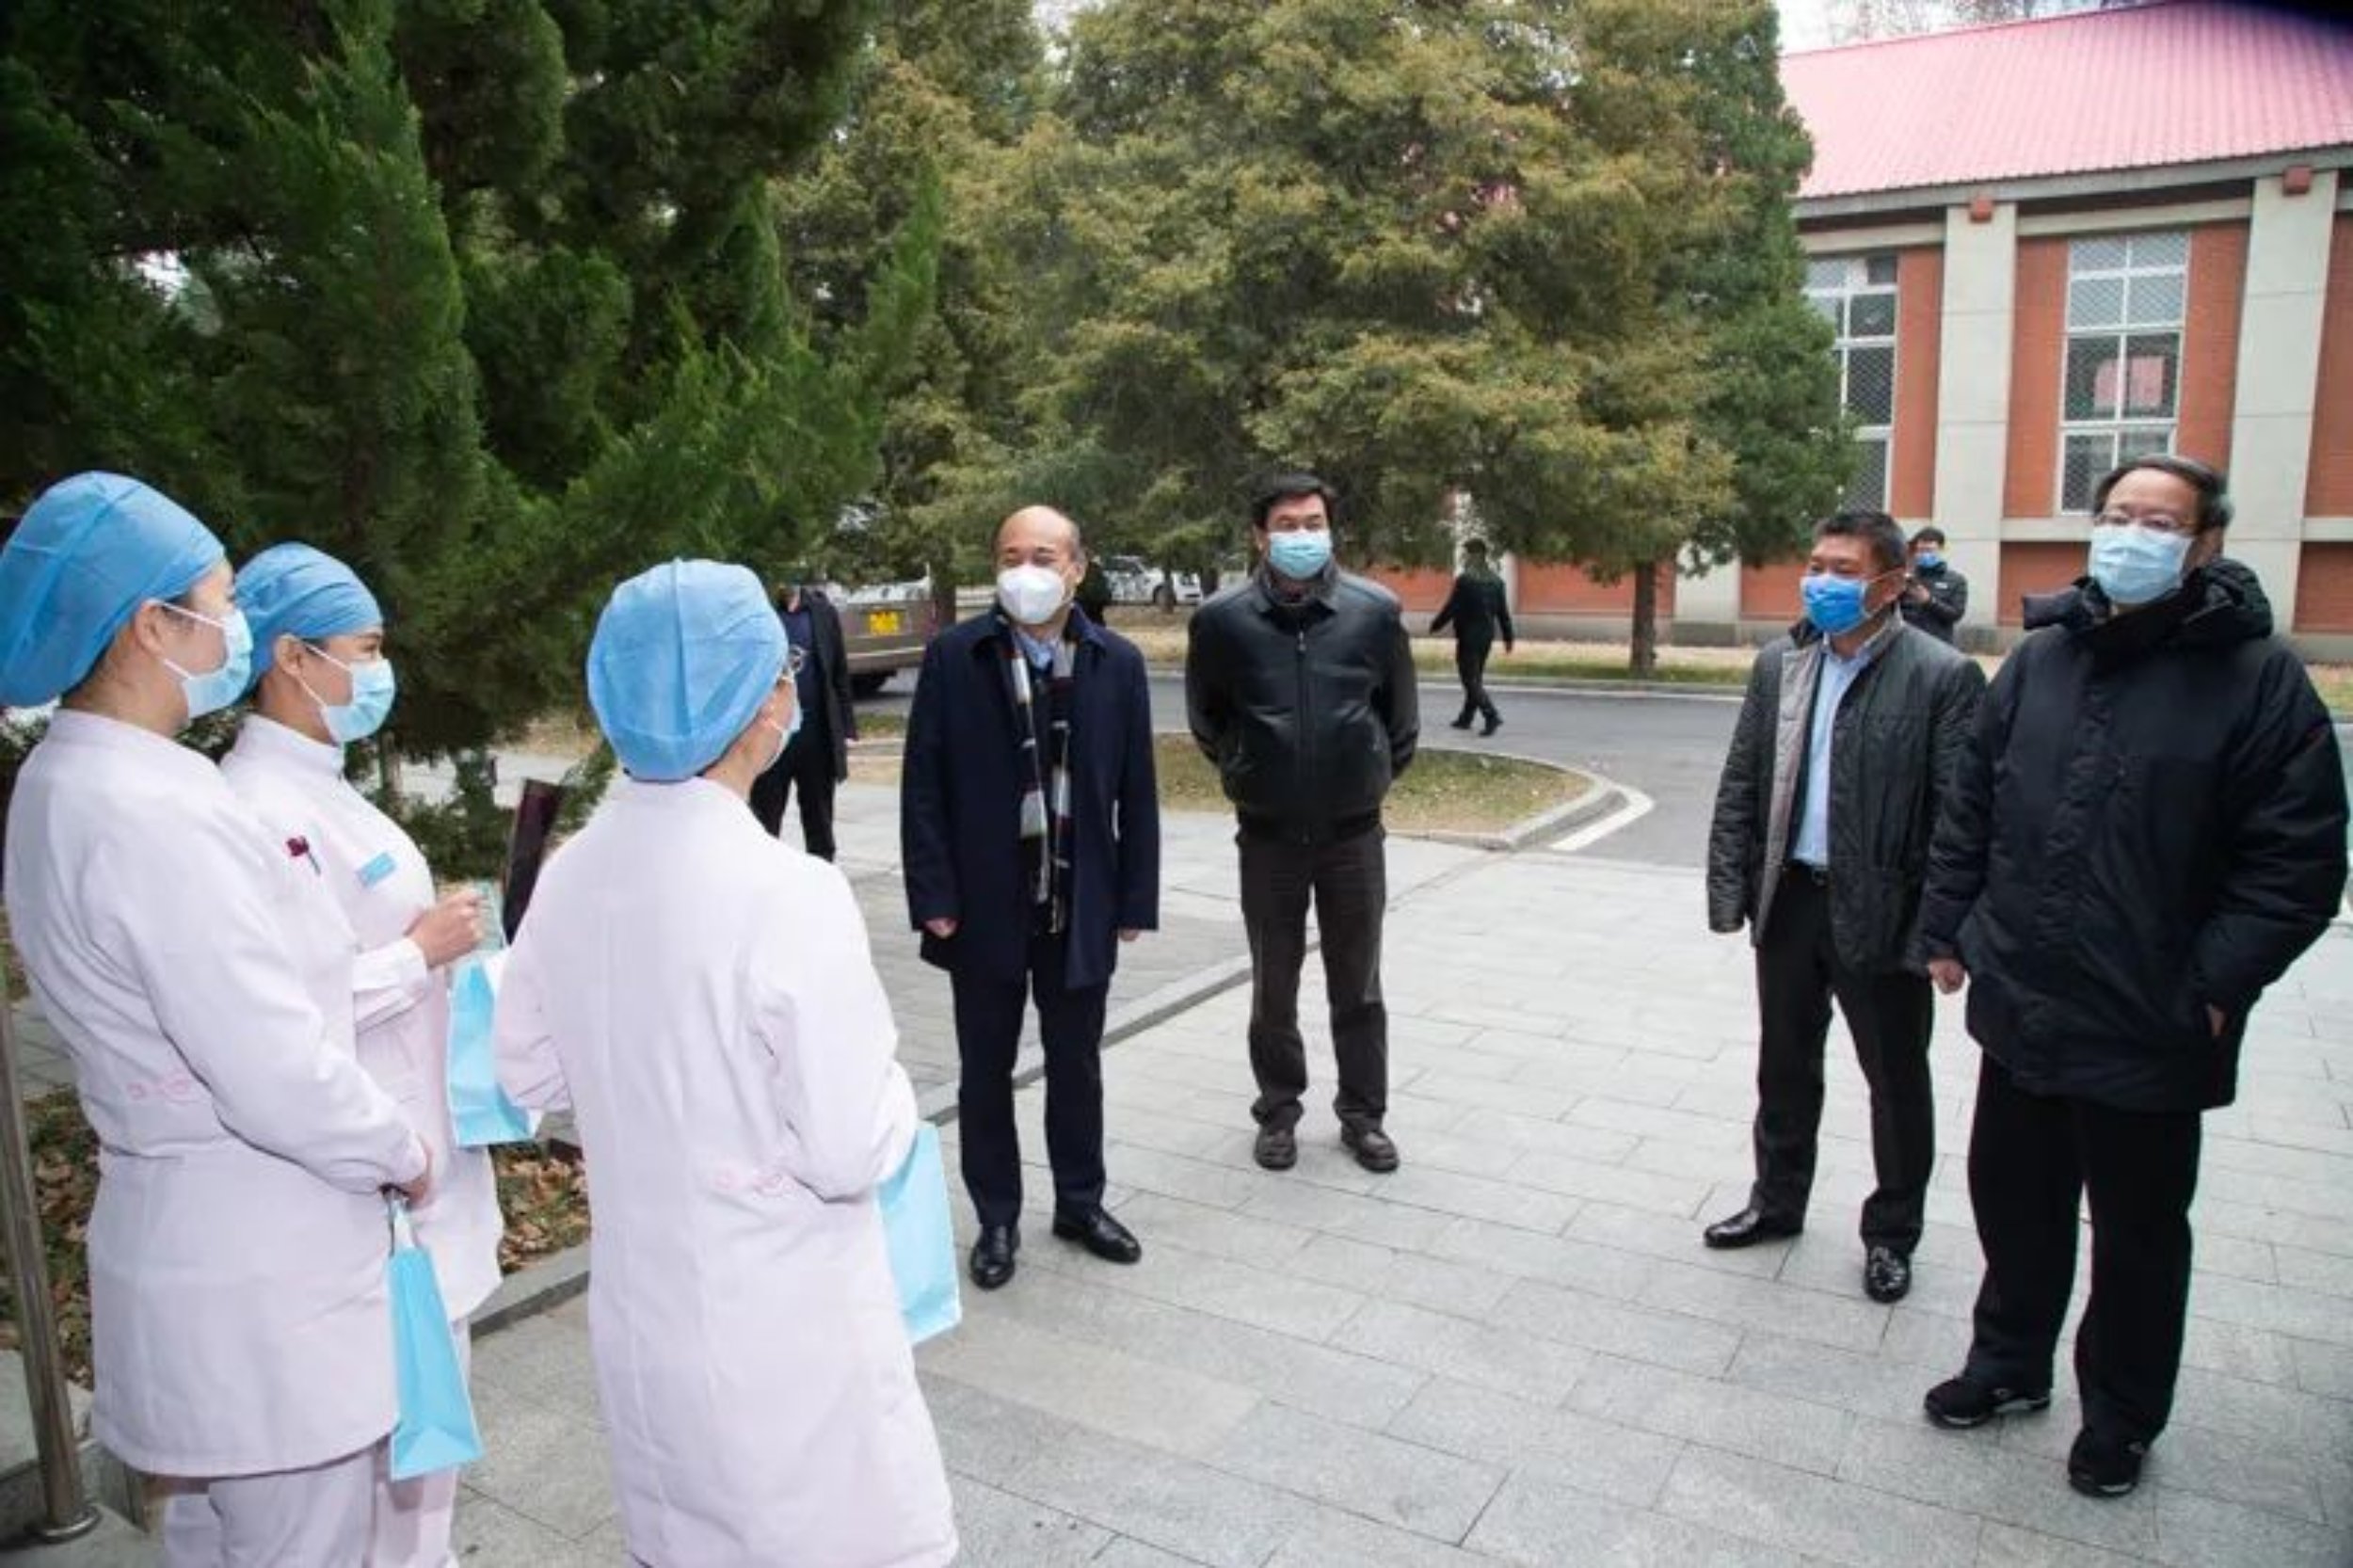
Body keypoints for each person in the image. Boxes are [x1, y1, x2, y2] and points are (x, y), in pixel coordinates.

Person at [0, 473, 430, 1565]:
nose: (237, 625)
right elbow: (271, 1064)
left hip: (197, 1243)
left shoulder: (74, 781)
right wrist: (401, 1149)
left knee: (214, 1534)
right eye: (221, 599)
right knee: (300, 1542)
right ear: (152, 625)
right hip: (262, 1264)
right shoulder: (150, 812)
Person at [492, 560, 954, 1568]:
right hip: (783, 1322)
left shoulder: (569, 875)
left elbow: (527, 1074)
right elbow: (845, 1146)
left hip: (645, 1311)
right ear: (762, 704)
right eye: (781, 671)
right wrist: (889, 1089)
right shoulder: (789, 892)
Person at [1914, 456, 2347, 1499]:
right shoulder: (2042, 657)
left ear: (2204, 543)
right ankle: (2007, 1362)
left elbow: (2296, 862)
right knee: (2013, 1199)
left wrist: (2213, 986)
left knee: (2139, 1233)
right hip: (2023, 999)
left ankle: (2120, 1415)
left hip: (2152, 1018)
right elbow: (1972, 800)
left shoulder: (2257, 679)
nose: (2131, 534)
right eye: (2116, 514)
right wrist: (1948, 927)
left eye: (2158, 521)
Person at [219, 542, 504, 1567]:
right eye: (366, 648)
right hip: (366, 1180)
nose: (381, 671)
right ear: (292, 657)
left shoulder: (328, 790)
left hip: (416, 1163)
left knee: (420, 1468)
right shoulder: (253, 808)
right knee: (380, 1476)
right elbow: (270, 1013)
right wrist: (415, 954)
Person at [1703, 509, 1985, 1304]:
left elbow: (1960, 817)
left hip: (1884, 909)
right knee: (1783, 1066)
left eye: (1843, 570)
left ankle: (1892, 1233)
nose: (1821, 581)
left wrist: (1943, 931)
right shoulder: (1781, 663)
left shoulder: (1941, 676)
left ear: (1891, 584)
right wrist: (1730, 891)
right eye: (1816, 565)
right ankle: (1776, 1201)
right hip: (1791, 898)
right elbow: (1743, 780)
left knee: (1895, 1081)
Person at [902, 506, 1160, 1290]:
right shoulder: (956, 656)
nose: (1026, 571)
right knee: (985, 1070)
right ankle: (997, 1217)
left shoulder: (1117, 662)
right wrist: (933, 893)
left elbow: (1137, 791)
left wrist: (1134, 900)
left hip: (1080, 902)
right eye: (1011, 555)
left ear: (1077, 567)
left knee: (1076, 1064)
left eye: (1043, 557)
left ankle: (1080, 1203)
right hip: (983, 904)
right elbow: (924, 785)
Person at [1186, 472, 1418, 1175]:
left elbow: (1400, 721)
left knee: (1360, 986)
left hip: (1353, 837)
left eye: (1313, 523)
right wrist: (1249, 771)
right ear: (1260, 536)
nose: (1301, 536)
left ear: (1331, 529)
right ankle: (1279, 1112)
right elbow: (1209, 720)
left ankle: (1363, 1118)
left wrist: (1366, 774)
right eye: (1286, 525)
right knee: (1273, 987)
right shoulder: (1222, 620)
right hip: (1269, 839)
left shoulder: (1374, 612)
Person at [749, 567, 857, 860]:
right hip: (773, 735)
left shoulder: (822, 613)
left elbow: (839, 673)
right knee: (765, 820)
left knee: (819, 819)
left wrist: (847, 727)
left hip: (816, 735)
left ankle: (824, 875)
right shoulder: (762, 614)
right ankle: (763, 877)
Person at [1430, 537, 1514, 735]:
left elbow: (1452, 607)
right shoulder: (1497, 582)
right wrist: (1508, 638)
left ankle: (1491, 715)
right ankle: (1466, 718)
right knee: (1475, 678)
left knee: (1470, 679)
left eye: (1468, 554)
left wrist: (1436, 624)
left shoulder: (1465, 581)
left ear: (1476, 555)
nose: (1466, 558)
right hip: (1486, 637)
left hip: (1468, 636)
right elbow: (1503, 613)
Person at [1898, 525, 1968, 645]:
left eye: (1929, 550)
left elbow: (1956, 614)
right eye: (1920, 550)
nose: (1924, 554)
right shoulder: (1907, 578)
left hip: (1938, 644)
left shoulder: (1956, 581)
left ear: (1941, 549)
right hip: (1908, 643)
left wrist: (1930, 601)